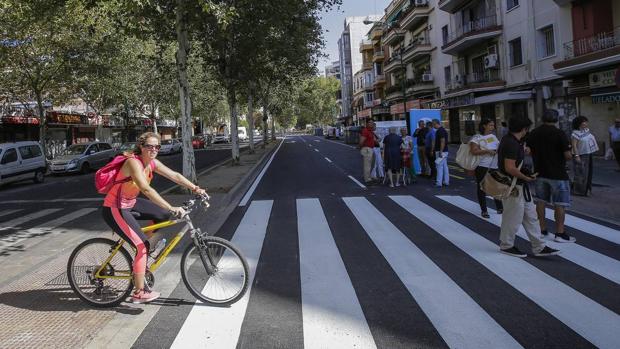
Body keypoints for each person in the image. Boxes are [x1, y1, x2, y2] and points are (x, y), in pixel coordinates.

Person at [102, 132, 207, 303]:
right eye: (149, 146)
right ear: (141, 147)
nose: (153, 150)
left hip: (131, 202)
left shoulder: (152, 163)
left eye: (157, 146)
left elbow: (175, 176)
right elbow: (146, 189)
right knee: (141, 245)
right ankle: (139, 292)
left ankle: (145, 249)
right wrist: (171, 207)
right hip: (115, 207)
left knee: (162, 215)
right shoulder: (133, 163)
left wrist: (195, 188)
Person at [497, 116, 559, 257]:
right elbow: (509, 167)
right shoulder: (511, 143)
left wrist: (525, 175)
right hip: (513, 186)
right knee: (512, 217)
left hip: (519, 186)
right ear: (524, 129)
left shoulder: (513, 141)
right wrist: (526, 177)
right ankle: (506, 245)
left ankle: (539, 246)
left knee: (531, 217)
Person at [526, 110, 576, 243]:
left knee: (541, 202)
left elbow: (528, 151)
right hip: (558, 174)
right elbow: (567, 156)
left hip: (539, 172)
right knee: (559, 204)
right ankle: (560, 233)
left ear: (543, 119)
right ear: (556, 119)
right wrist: (574, 154)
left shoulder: (534, 133)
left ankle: (542, 230)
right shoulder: (559, 133)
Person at [469, 118, 503, 218]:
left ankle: (500, 207)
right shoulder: (477, 137)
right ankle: (484, 210)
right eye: (491, 125)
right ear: (484, 126)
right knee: (482, 188)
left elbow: (498, 147)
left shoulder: (493, 136)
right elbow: (474, 151)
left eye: (493, 125)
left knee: (496, 186)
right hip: (482, 166)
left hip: (494, 165)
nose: (493, 127)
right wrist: (487, 151)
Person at [571, 116, 598, 196]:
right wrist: (577, 156)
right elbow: (574, 145)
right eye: (584, 122)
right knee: (581, 173)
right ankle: (579, 191)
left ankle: (587, 190)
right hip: (581, 155)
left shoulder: (586, 130)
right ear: (579, 124)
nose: (586, 124)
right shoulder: (575, 133)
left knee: (589, 173)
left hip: (588, 154)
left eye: (586, 122)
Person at [359, 120, 377, 185]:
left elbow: (375, 141)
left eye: (372, 123)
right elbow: (361, 141)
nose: (372, 124)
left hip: (371, 149)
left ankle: (367, 176)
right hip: (367, 149)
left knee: (372, 164)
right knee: (367, 165)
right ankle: (367, 180)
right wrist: (361, 148)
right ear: (367, 124)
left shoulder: (371, 131)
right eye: (370, 123)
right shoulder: (365, 131)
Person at [433, 119, 449, 187]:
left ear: (436, 123)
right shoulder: (442, 130)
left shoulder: (440, 131)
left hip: (441, 151)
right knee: (445, 167)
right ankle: (446, 181)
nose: (433, 126)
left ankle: (438, 183)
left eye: (433, 124)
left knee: (439, 166)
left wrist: (440, 151)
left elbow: (443, 141)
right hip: (444, 151)